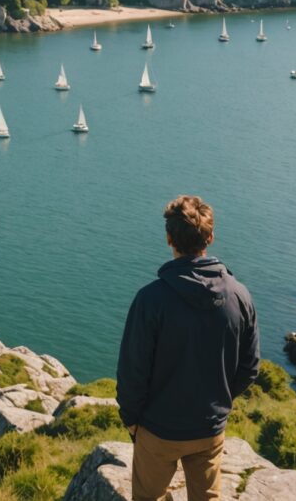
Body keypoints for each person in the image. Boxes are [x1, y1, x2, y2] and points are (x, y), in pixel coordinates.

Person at [116, 195, 259, 501]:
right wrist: (219, 401)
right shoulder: (240, 296)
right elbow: (250, 367)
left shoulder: (150, 299)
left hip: (158, 428)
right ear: (210, 237)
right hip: (209, 428)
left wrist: (131, 418)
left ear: (169, 239)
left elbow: (132, 370)